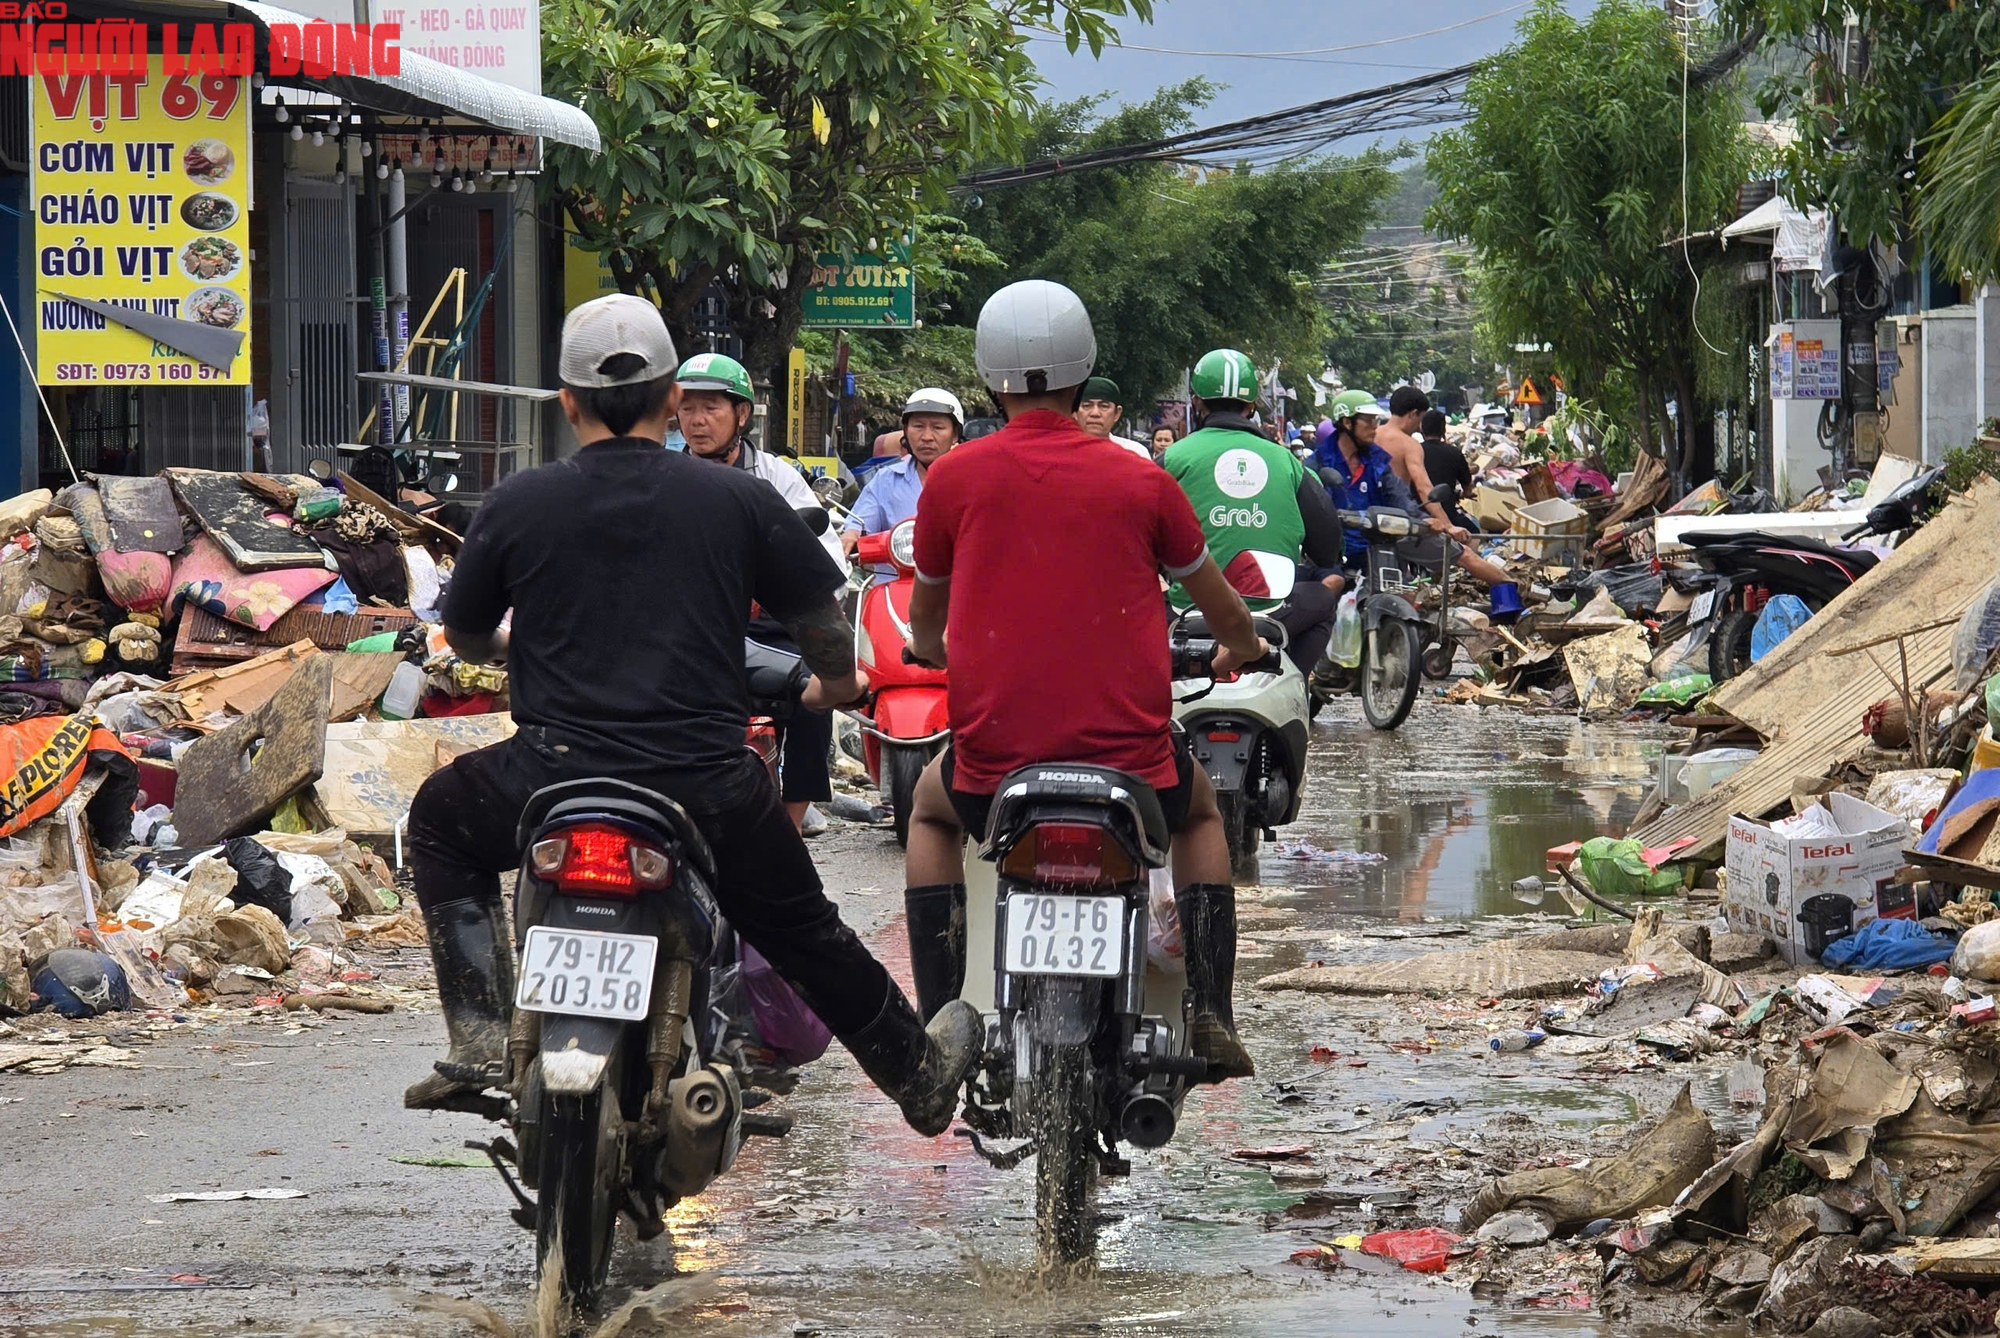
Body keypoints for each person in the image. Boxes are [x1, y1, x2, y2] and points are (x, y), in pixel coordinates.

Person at [401, 294, 980, 1140]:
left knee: (439, 820)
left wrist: (506, 647)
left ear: (567, 402)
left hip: (548, 776)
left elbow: (462, 632)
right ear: (673, 399)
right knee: (802, 927)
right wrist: (831, 686)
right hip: (703, 785)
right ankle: (917, 1075)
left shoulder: (519, 501)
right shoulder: (739, 500)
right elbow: (824, 632)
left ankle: (482, 1036)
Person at [901, 280, 1270, 1081]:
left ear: (988, 374)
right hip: (1132, 772)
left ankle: (938, 1023)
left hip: (994, 772)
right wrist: (1241, 645)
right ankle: (1211, 1008)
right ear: (1085, 370)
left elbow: (925, 626)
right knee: (1202, 815)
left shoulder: (952, 480)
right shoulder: (1144, 481)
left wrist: (936, 651)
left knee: (928, 813)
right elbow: (1224, 611)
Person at [676, 351, 840, 833]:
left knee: (816, 692)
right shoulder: (662, 478)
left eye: (711, 407)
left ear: (742, 414)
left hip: (766, 627)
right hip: (687, 629)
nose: (697, 420)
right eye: (687, 407)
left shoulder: (777, 478)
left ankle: (791, 824)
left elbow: (824, 559)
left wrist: (769, 588)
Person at [1164, 347, 1347, 675]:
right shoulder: (1288, 463)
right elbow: (1326, 549)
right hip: (1271, 616)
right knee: (1323, 598)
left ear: (1196, 402)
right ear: (1251, 406)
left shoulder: (1171, 458)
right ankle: (1292, 685)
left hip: (1184, 614)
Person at [1313, 391, 1521, 618]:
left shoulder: (1377, 458)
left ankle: (1515, 594)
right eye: (1369, 421)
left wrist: (1427, 520)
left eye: (1376, 420)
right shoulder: (1318, 464)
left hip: (1385, 534)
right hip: (1337, 545)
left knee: (1408, 594)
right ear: (1347, 422)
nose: (1374, 426)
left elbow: (1400, 496)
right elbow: (1423, 487)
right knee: (1329, 587)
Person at [841, 388, 962, 584]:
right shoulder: (885, 479)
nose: (927, 436)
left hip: (955, 587)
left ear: (955, 434)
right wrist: (851, 534)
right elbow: (860, 523)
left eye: (938, 427)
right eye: (918, 426)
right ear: (906, 431)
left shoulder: (972, 480)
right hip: (892, 587)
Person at [1420, 408, 1477, 534]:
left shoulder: (1415, 451)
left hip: (1417, 514)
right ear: (1444, 430)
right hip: (1448, 515)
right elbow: (1468, 488)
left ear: (1422, 429)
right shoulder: (1454, 452)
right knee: (1476, 533)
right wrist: (1464, 493)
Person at [1075, 376, 1152, 459]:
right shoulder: (1065, 452)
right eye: (1086, 406)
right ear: (1074, 412)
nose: (1095, 413)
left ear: (1117, 413)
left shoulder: (1136, 452)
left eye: (1104, 406)